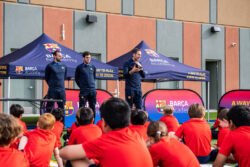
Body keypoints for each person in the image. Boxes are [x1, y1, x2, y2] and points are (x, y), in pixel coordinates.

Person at [59, 97, 153, 167]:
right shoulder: (137, 136)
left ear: (103, 122)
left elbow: (64, 153)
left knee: (74, 159)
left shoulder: (106, 141)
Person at [75, 51, 97, 119]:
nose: (88, 59)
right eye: (87, 57)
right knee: (82, 108)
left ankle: (93, 123)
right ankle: (80, 122)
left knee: (92, 107)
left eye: (89, 58)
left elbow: (94, 77)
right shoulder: (79, 67)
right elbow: (77, 79)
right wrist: (82, 86)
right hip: (84, 91)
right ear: (83, 58)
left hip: (92, 90)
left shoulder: (93, 67)